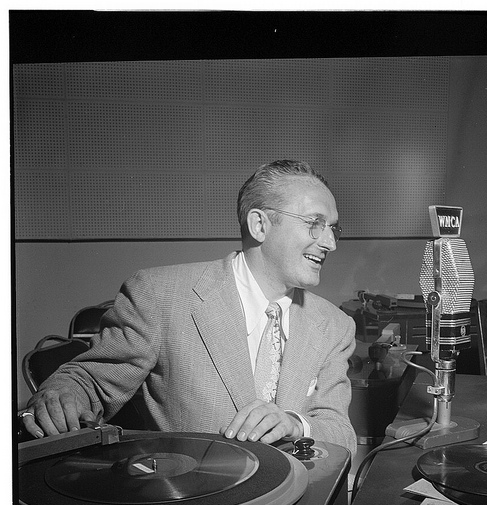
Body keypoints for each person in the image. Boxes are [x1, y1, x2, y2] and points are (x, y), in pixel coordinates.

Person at [19, 160, 358, 455]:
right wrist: (61, 396)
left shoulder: (335, 326)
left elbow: (340, 432)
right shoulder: (159, 296)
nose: (330, 243)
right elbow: (90, 382)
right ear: (259, 225)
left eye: (333, 229)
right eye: (314, 223)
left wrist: (296, 424)